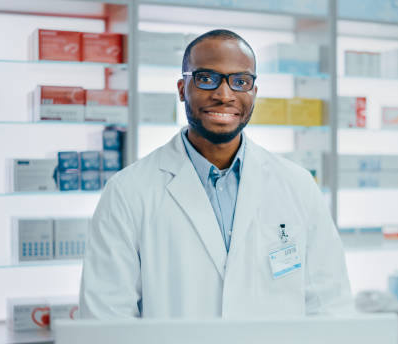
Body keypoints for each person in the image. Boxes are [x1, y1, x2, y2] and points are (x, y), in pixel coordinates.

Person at [79, 29, 353, 319]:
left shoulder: (297, 185)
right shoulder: (128, 191)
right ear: (182, 88)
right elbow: (106, 318)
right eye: (206, 79)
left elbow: (329, 305)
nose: (225, 95)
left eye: (240, 81)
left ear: (254, 93)